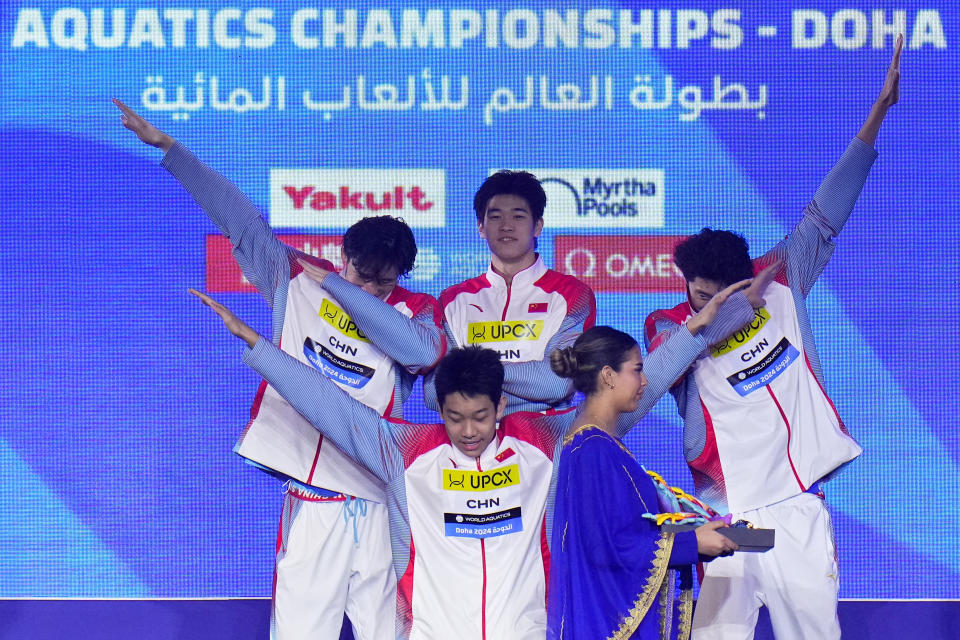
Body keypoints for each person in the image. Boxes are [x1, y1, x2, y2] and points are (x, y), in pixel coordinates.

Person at [188, 262, 771, 639]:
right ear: (437, 411)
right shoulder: (407, 449)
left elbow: (620, 400)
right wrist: (258, 346)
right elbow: (329, 406)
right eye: (455, 418)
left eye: (481, 417)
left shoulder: (543, 441)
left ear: (501, 408)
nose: (469, 431)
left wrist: (695, 332)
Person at [114, 100, 445, 640]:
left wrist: (341, 289)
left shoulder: (416, 313)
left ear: (402, 276)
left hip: (384, 504)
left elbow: (424, 355)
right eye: (359, 277)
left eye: (383, 285)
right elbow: (240, 220)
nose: (370, 292)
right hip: (313, 505)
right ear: (343, 254)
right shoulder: (294, 281)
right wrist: (171, 151)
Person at [643, 36, 902, 639]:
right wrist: (717, 315)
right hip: (728, 513)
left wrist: (878, 114)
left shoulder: (782, 281)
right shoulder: (667, 327)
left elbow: (828, 210)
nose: (707, 306)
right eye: (698, 294)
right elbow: (668, 365)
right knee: (715, 635)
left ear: (744, 277)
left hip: (790, 506)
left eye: (721, 294)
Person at [547, 326, 740, 639]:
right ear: (608, 375)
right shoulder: (592, 449)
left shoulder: (596, 444)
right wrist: (692, 543)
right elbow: (605, 547)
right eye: (637, 370)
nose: (645, 381)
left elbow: (619, 534)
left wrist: (696, 537)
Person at [424, 170, 596, 415]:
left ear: (538, 226)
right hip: (471, 446)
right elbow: (434, 395)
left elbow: (557, 384)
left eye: (518, 216)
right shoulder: (452, 300)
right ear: (481, 228)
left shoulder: (573, 295)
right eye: (495, 217)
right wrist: (532, 389)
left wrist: (470, 375)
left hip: (546, 444)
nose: (506, 226)